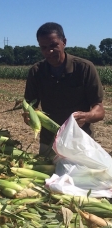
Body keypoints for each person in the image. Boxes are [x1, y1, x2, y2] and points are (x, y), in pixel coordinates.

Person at [23, 22, 105, 156]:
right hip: (50, 143)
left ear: (64, 42)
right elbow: (30, 107)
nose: (49, 51)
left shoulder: (84, 68)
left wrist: (86, 116)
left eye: (53, 45)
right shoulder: (36, 72)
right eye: (43, 47)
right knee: (51, 177)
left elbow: (100, 110)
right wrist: (29, 118)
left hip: (81, 142)